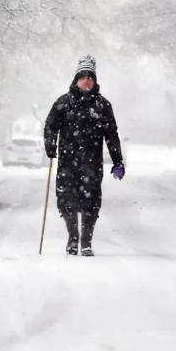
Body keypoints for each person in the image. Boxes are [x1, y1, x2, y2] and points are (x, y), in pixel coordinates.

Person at [44, 54, 125, 256]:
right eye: (83, 76)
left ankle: (86, 241)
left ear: (95, 81)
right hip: (67, 162)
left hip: (92, 162)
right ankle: (72, 237)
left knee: (91, 201)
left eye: (90, 77)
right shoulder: (63, 103)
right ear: (76, 79)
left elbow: (112, 135)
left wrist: (118, 161)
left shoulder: (103, 106)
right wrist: (50, 143)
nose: (87, 80)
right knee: (66, 200)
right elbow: (50, 125)